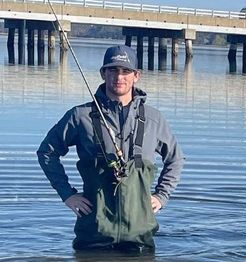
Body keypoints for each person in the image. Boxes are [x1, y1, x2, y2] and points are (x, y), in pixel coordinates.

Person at [37, 45, 185, 250]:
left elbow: (175, 159)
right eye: (113, 70)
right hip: (93, 234)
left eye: (126, 71)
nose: (119, 77)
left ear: (136, 76)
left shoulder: (154, 118)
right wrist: (67, 194)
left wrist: (162, 195)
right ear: (103, 74)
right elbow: (47, 152)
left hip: (139, 236)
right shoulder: (80, 116)